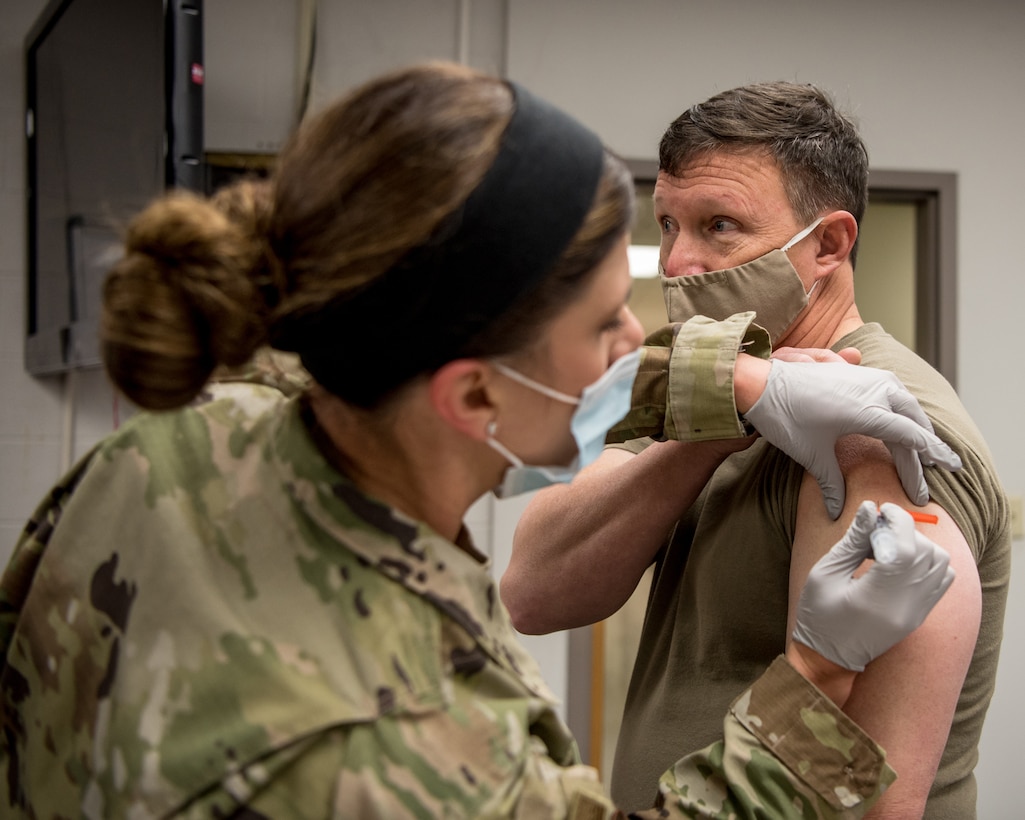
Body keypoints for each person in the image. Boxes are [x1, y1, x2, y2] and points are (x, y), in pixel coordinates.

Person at [0, 64, 956, 819]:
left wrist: (735, 385)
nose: (645, 339)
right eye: (601, 329)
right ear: (468, 393)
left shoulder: (179, 446)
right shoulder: (384, 750)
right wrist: (819, 667)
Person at [503, 81, 1011, 819]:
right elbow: (533, 589)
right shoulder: (713, 399)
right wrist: (725, 417)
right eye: (668, 225)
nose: (678, 261)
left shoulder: (875, 432)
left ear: (829, 245)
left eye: (718, 226)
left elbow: (871, 805)